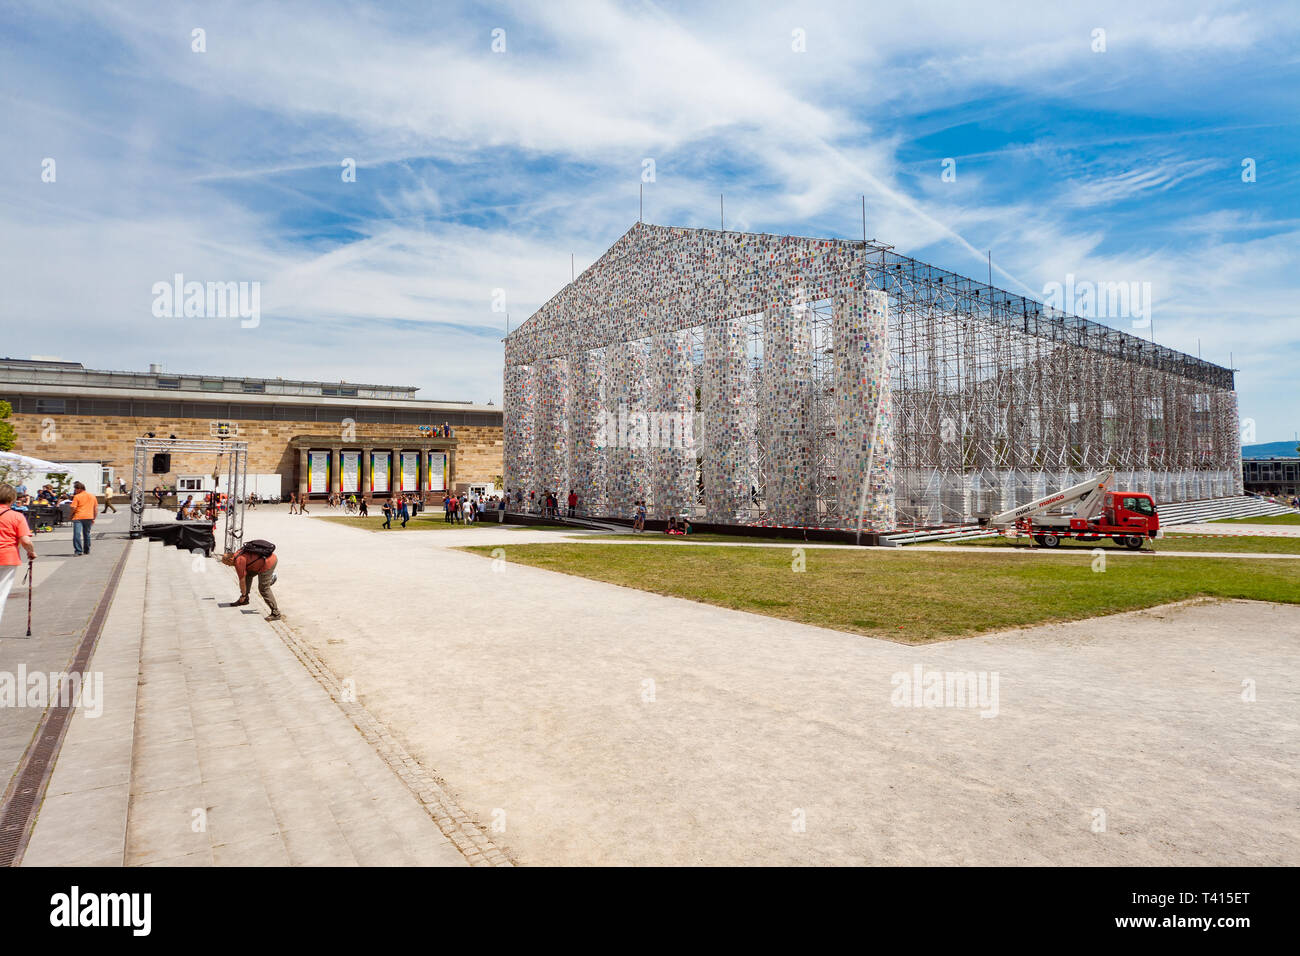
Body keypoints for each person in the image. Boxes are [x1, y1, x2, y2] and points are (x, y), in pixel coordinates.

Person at [0, 484, 37, 630]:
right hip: (7, 558)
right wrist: (31, 552)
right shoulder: (16, 516)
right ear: (12, 499)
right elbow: (26, 540)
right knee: (1, 593)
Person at [222, 543, 281, 622]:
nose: (228, 566)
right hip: (263, 560)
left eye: (227, 564)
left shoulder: (239, 561)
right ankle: (245, 599)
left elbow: (242, 581)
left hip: (268, 563)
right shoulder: (238, 554)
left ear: (230, 559)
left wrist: (243, 594)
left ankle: (276, 613)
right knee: (248, 575)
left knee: (263, 588)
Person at [70, 481, 97, 555]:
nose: (74, 491)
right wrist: (94, 518)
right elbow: (95, 508)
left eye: (75, 489)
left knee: (77, 534)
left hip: (78, 517)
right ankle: (86, 550)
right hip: (89, 517)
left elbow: (73, 507)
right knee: (87, 534)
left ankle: (78, 551)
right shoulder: (92, 496)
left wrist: (70, 515)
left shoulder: (77, 496)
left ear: (79, 489)